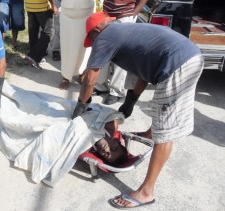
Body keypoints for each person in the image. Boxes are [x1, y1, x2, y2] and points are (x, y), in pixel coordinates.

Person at [72, 12, 203, 208]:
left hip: (178, 63)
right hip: (187, 56)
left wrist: (80, 107)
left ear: (96, 31)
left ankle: (146, 192)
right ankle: (151, 134)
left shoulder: (105, 36)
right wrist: (132, 99)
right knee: (161, 108)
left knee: (166, 129)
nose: (94, 44)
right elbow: (145, 71)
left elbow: (90, 78)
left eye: (91, 39)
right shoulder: (127, 32)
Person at [97, 0, 147, 105]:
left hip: (125, 15)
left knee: (120, 53)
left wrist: (134, 13)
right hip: (107, 13)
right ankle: (102, 84)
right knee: (104, 48)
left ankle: (116, 91)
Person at [58, 0, 95, 90]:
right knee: (67, 45)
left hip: (86, 12)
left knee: (84, 45)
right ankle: (66, 76)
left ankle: (81, 72)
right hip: (67, 13)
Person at [24, 0, 58, 70]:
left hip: (29, 6)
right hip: (42, 6)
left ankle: (32, 56)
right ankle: (33, 56)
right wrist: (53, 5)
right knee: (49, 31)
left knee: (33, 32)